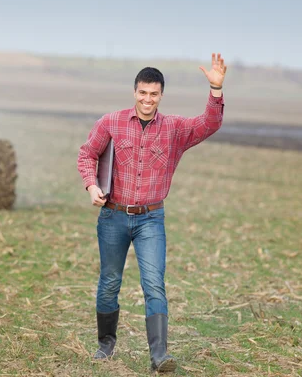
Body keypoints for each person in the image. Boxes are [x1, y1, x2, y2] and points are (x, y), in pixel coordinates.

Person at [77, 53, 227, 372]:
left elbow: (209, 123)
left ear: (161, 96)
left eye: (154, 94)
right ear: (135, 92)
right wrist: (91, 186)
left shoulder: (174, 129)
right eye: (143, 93)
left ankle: (159, 355)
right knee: (109, 282)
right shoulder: (111, 122)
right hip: (113, 216)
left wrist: (216, 90)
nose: (148, 99)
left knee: (154, 284)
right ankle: (106, 345)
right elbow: (87, 155)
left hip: (150, 219)